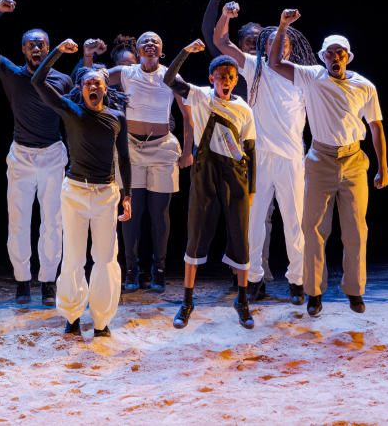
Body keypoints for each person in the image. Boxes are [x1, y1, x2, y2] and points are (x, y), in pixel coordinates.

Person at [269, 9, 388, 316]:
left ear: (348, 56)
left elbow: (376, 127)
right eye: (330, 53)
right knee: (312, 228)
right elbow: (274, 63)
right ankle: (313, 292)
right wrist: (283, 26)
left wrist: (383, 168)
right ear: (322, 56)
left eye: (340, 53)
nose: (335, 57)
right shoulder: (312, 77)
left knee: (356, 230)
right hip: (320, 159)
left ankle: (354, 290)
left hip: (353, 160)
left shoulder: (365, 86)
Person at [214, 0, 318, 306]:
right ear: (264, 47)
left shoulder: (303, 74)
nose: (278, 45)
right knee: (254, 223)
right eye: (271, 41)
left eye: (282, 41)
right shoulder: (253, 66)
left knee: (294, 223)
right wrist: (225, 15)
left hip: (291, 158)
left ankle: (297, 281)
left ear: (290, 48)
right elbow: (221, 41)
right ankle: (255, 280)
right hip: (258, 157)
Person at [0, 0, 73, 306]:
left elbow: (74, 119)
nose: (37, 48)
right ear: (24, 50)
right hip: (21, 157)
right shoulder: (12, 73)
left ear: (49, 48)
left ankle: (48, 281)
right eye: (31, 45)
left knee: (52, 222)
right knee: (18, 221)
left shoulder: (63, 80)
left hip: (53, 156)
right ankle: (22, 280)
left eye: (41, 44)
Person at [31, 39, 132, 337]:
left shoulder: (117, 118)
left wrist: (127, 195)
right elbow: (38, 81)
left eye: (97, 83)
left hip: (106, 194)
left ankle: (101, 320)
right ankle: (72, 315)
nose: (93, 86)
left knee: (106, 259)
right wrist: (58, 52)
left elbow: (125, 157)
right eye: (87, 82)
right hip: (75, 192)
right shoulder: (70, 110)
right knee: (74, 257)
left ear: (105, 88)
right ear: (81, 88)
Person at [83, 32, 194, 293]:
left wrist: (188, 151)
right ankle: (131, 269)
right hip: (131, 149)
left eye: (156, 41)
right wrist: (88, 56)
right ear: (139, 50)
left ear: (161, 51)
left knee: (160, 214)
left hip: (163, 149)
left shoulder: (171, 75)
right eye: (145, 41)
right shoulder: (126, 72)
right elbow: (90, 79)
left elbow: (188, 116)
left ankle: (159, 269)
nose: (150, 44)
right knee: (130, 211)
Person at [164, 40, 257, 330]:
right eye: (221, 77)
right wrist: (185, 52)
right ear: (211, 79)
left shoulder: (244, 109)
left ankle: (242, 300)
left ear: (236, 80)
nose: (226, 81)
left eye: (231, 77)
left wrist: (252, 189)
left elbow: (250, 150)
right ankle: (187, 302)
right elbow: (169, 79)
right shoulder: (200, 96)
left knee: (240, 236)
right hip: (205, 172)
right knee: (195, 233)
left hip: (235, 175)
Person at [203, 0, 274, 296]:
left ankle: (257, 273)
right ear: (238, 43)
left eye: (259, 41)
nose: (254, 45)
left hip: (264, 148)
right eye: (248, 40)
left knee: (263, 216)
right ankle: (239, 269)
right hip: (231, 148)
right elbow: (210, 33)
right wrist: (217, 0)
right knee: (236, 214)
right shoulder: (231, 67)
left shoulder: (270, 69)